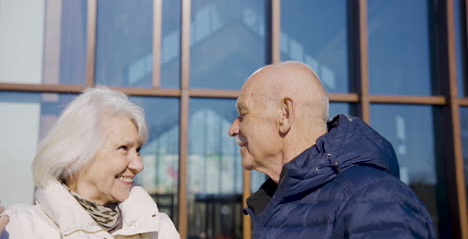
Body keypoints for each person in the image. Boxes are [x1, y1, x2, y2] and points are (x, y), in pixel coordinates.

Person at [228, 61, 436, 238]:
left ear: (285, 114)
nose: (233, 129)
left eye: (243, 113)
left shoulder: (375, 198)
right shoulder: (275, 203)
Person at [0, 87, 180, 239]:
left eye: (138, 150)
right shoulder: (17, 229)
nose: (138, 165)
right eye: (124, 148)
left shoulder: (159, 230)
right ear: (77, 154)